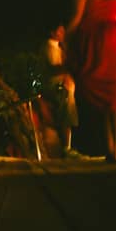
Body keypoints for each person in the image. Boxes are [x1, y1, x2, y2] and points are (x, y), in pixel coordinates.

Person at [67, 0, 116, 162]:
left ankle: (113, 149)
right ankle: (111, 149)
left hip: (107, 52)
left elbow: (74, 23)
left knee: (112, 103)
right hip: (97, 52)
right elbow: (74, 22)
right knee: (109, 104)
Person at [43, 19, 78, 154]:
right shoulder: (49, 47)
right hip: (60, 89)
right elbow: (54, 68)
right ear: (53, 32)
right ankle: (65, 149)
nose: (63, 33)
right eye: (60, 31)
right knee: (65, 117)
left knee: (68, 118)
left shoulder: (58, 47)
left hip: (65, 88)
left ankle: (67, 148)